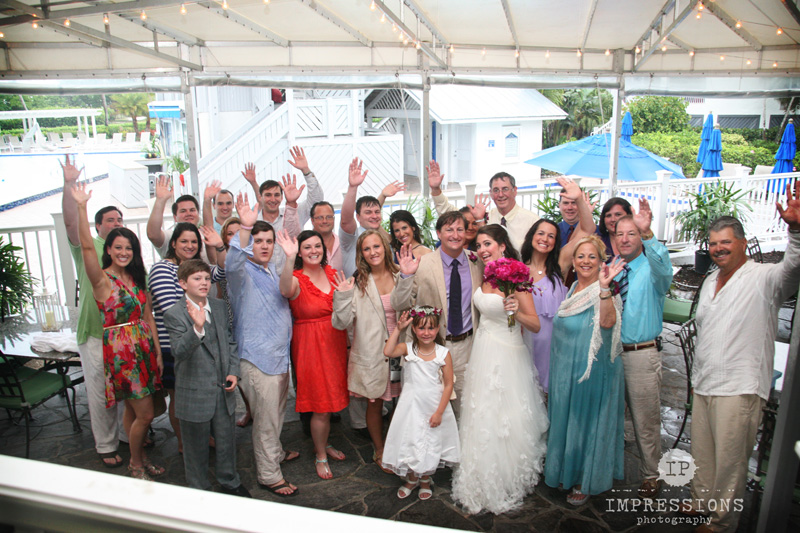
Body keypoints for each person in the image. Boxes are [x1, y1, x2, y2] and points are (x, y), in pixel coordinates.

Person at [684, 183, 800, 533]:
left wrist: (795, 230)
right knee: (703, 452)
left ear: (743, 243)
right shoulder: (710, 280)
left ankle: (722, 522)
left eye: (725, 242)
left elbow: (793, 268)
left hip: (740, 385)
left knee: (732, 461)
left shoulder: (766, 278)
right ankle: (701, 500)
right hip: (705, 380)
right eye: (713, 243)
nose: (718, 249)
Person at [451, 224, 549, 515]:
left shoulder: (517, 275)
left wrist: (514, 311)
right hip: (483, 349)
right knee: (483, 411)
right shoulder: (483, 273)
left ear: (502, 245)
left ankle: (508, 474)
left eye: (488, 244)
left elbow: (534, 323)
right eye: (479, 245)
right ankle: (480, 469)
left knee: (506, 413)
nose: (482, 250)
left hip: (507, 353)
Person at [71, 182, 164, 481]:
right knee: (146, 414)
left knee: (134, 413)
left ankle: (140, 456)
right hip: (122, 353)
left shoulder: (137, 278)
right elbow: (86, 245)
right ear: (108, 249)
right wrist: (82, 205)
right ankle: (135, 463)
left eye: (129, 248)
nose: (123, 252)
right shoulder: (102, 280)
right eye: (118, 247)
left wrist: (158, 351)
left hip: (144, 347)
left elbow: (148, 316)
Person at [544, 235, 626, 506]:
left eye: (592, 256)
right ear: (573, 262)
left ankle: (583, 479)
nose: (586, 261)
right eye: (581, 256)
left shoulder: (605, 290)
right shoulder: (574, 288)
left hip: (589, 373)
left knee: (585, 425)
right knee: (567, 423)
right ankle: (566, 472)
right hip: (566, 371)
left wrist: (604, 289)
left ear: (602, 261)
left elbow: (607, 322)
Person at [226, 193, 299, 497]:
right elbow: (230, 263)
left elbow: (287, 290)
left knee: (276, 414)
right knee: (266, 421)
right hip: (256, 359)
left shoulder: (273, 270)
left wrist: (290, 257)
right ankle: (269, 475)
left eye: (269, 241)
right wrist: (244, 226)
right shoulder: (241, 272)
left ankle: (275, 454)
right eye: (258, 241)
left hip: (279, 358)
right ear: (249, 245)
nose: (265, 245)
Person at [163, 259, 250, 497]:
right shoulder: (173, 314)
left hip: (223, 390)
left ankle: (229, 480)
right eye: (196, 278)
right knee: (195, 448)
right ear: (183, 283)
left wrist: (233, 370)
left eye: (206, 278)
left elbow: (230, 342)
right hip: (194, 393)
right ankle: (199, 490)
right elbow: (179, 351)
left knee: (226, 442)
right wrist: (197, 329)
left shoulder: (220, 306)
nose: (203, 283)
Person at [60, 155, 127, 469]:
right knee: (100, 390)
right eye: (110, 220)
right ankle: (106, 443)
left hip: (124, 333)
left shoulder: (126, 251)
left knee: (126, 387)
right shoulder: (90, 246)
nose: (115, 225)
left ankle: (128, 433)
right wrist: (69, 184)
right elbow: (72, 224)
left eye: (119, 220)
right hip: (94, 332)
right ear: (99, 226)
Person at [331, 232, 417, 472]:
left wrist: (407, 277)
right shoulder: (357, 282)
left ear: (385, 248)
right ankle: (379, 449)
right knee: (375, 403)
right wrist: (343, 296)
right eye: (367, 249)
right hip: (374, 354)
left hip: (401, 351)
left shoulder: (402, 273)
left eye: (376, 246)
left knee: (405, 400)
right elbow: (340, 323)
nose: (373, 252)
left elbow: (402, 303)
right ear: (361, 254)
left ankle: (404, 446)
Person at [276, 228, 349, 480]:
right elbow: (285, 290)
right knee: (319, 405)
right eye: (307, 247)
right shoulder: (295, 277)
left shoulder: (332, 274)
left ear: (324, 249)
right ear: (300, 251)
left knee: (329, 404)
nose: (313, 251)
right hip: (310, 346)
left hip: (335, 343)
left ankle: (325, 442)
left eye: (317, 246)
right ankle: (320, 454)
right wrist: (288, 257)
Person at [612, 201, 673, 499]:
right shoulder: (612, 269)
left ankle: (651, 474)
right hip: (611, 355)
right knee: (611, 416)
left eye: (632, 233)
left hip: (641, 354)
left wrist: (649, 234)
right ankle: (609, 467)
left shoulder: (653, 270)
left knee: (645, 420)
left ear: (640, 237)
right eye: (619, 234)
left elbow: (665, 267)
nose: (624, 239)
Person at [149, 222, 226, 454]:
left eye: (194, 242)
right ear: (173, 244)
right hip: (173, 342)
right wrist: (198, 320)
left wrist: (220, 247)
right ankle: (185, 444)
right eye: (184, 241)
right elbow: (169, 307)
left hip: (202, 338)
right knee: (179, 397)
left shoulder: (197, 268)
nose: (190, 245)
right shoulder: (162, 269)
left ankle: (201, 438)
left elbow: (222, 272)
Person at [400, 210, 483, 417]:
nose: (455, 235)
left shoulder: (477, 261)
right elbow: (399, 303)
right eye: (449, 230)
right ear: (438, 233)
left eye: (459, 229)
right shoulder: (423, 263)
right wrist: (405, 276)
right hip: (432, 345)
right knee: (429, 405)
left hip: (467, 345)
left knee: (465, 405)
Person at [519, 177, 595, 392]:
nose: (545, 239)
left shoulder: (560, 263)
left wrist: (578, 199)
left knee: (556, 393)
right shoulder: (518, 270)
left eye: (551, 236)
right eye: (541, 233)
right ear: (532, 236)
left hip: (559, 344)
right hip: (527, 346)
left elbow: (588, 228)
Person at [382, 307, 459, 500]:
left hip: (433, 406)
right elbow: (388, 350)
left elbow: (448, 384)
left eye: (431, 328)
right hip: (411, 407)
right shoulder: (408, 349)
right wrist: (398, 329)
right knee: (411, 440)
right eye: (422, 328)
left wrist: (439, 412)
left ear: (438, 329)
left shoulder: (443, 353)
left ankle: (425, 479)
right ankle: (411, 478)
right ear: (414, 329)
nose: (426, 333)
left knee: (429, 442)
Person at [242, 146, 324, 271]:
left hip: (293, 279)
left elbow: (316, 201)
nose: (273, 199)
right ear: (260, 197)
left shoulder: (294, 213)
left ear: (281, 197)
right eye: (268, 195)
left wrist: (306, 171)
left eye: (276, 195)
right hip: (264, 281)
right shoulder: (252, 222)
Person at [427, 160, 538, 251]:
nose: (500, 194)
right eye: (496, 190)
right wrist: (436, 189)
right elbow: (449, 213)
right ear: (490, 193)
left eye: (505, 189)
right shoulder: (484, 217)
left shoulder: (532, 221)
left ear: (515, 190)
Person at [339, 157, 405, 277]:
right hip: (359, 292)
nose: (374, 216)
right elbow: (346, 221)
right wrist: (353, 187)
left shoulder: (383, 237)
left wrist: (383, 196)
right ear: (358, 217)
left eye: (377, 212)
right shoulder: (352, 237)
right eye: (368, 212)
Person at [146, 176, 204, 259]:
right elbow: (153, 235)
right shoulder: (170, 237)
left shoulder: (206, 236)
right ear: (175, 217)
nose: (188, 214)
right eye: (183, 211)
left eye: (192, 210)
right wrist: (160, 200)